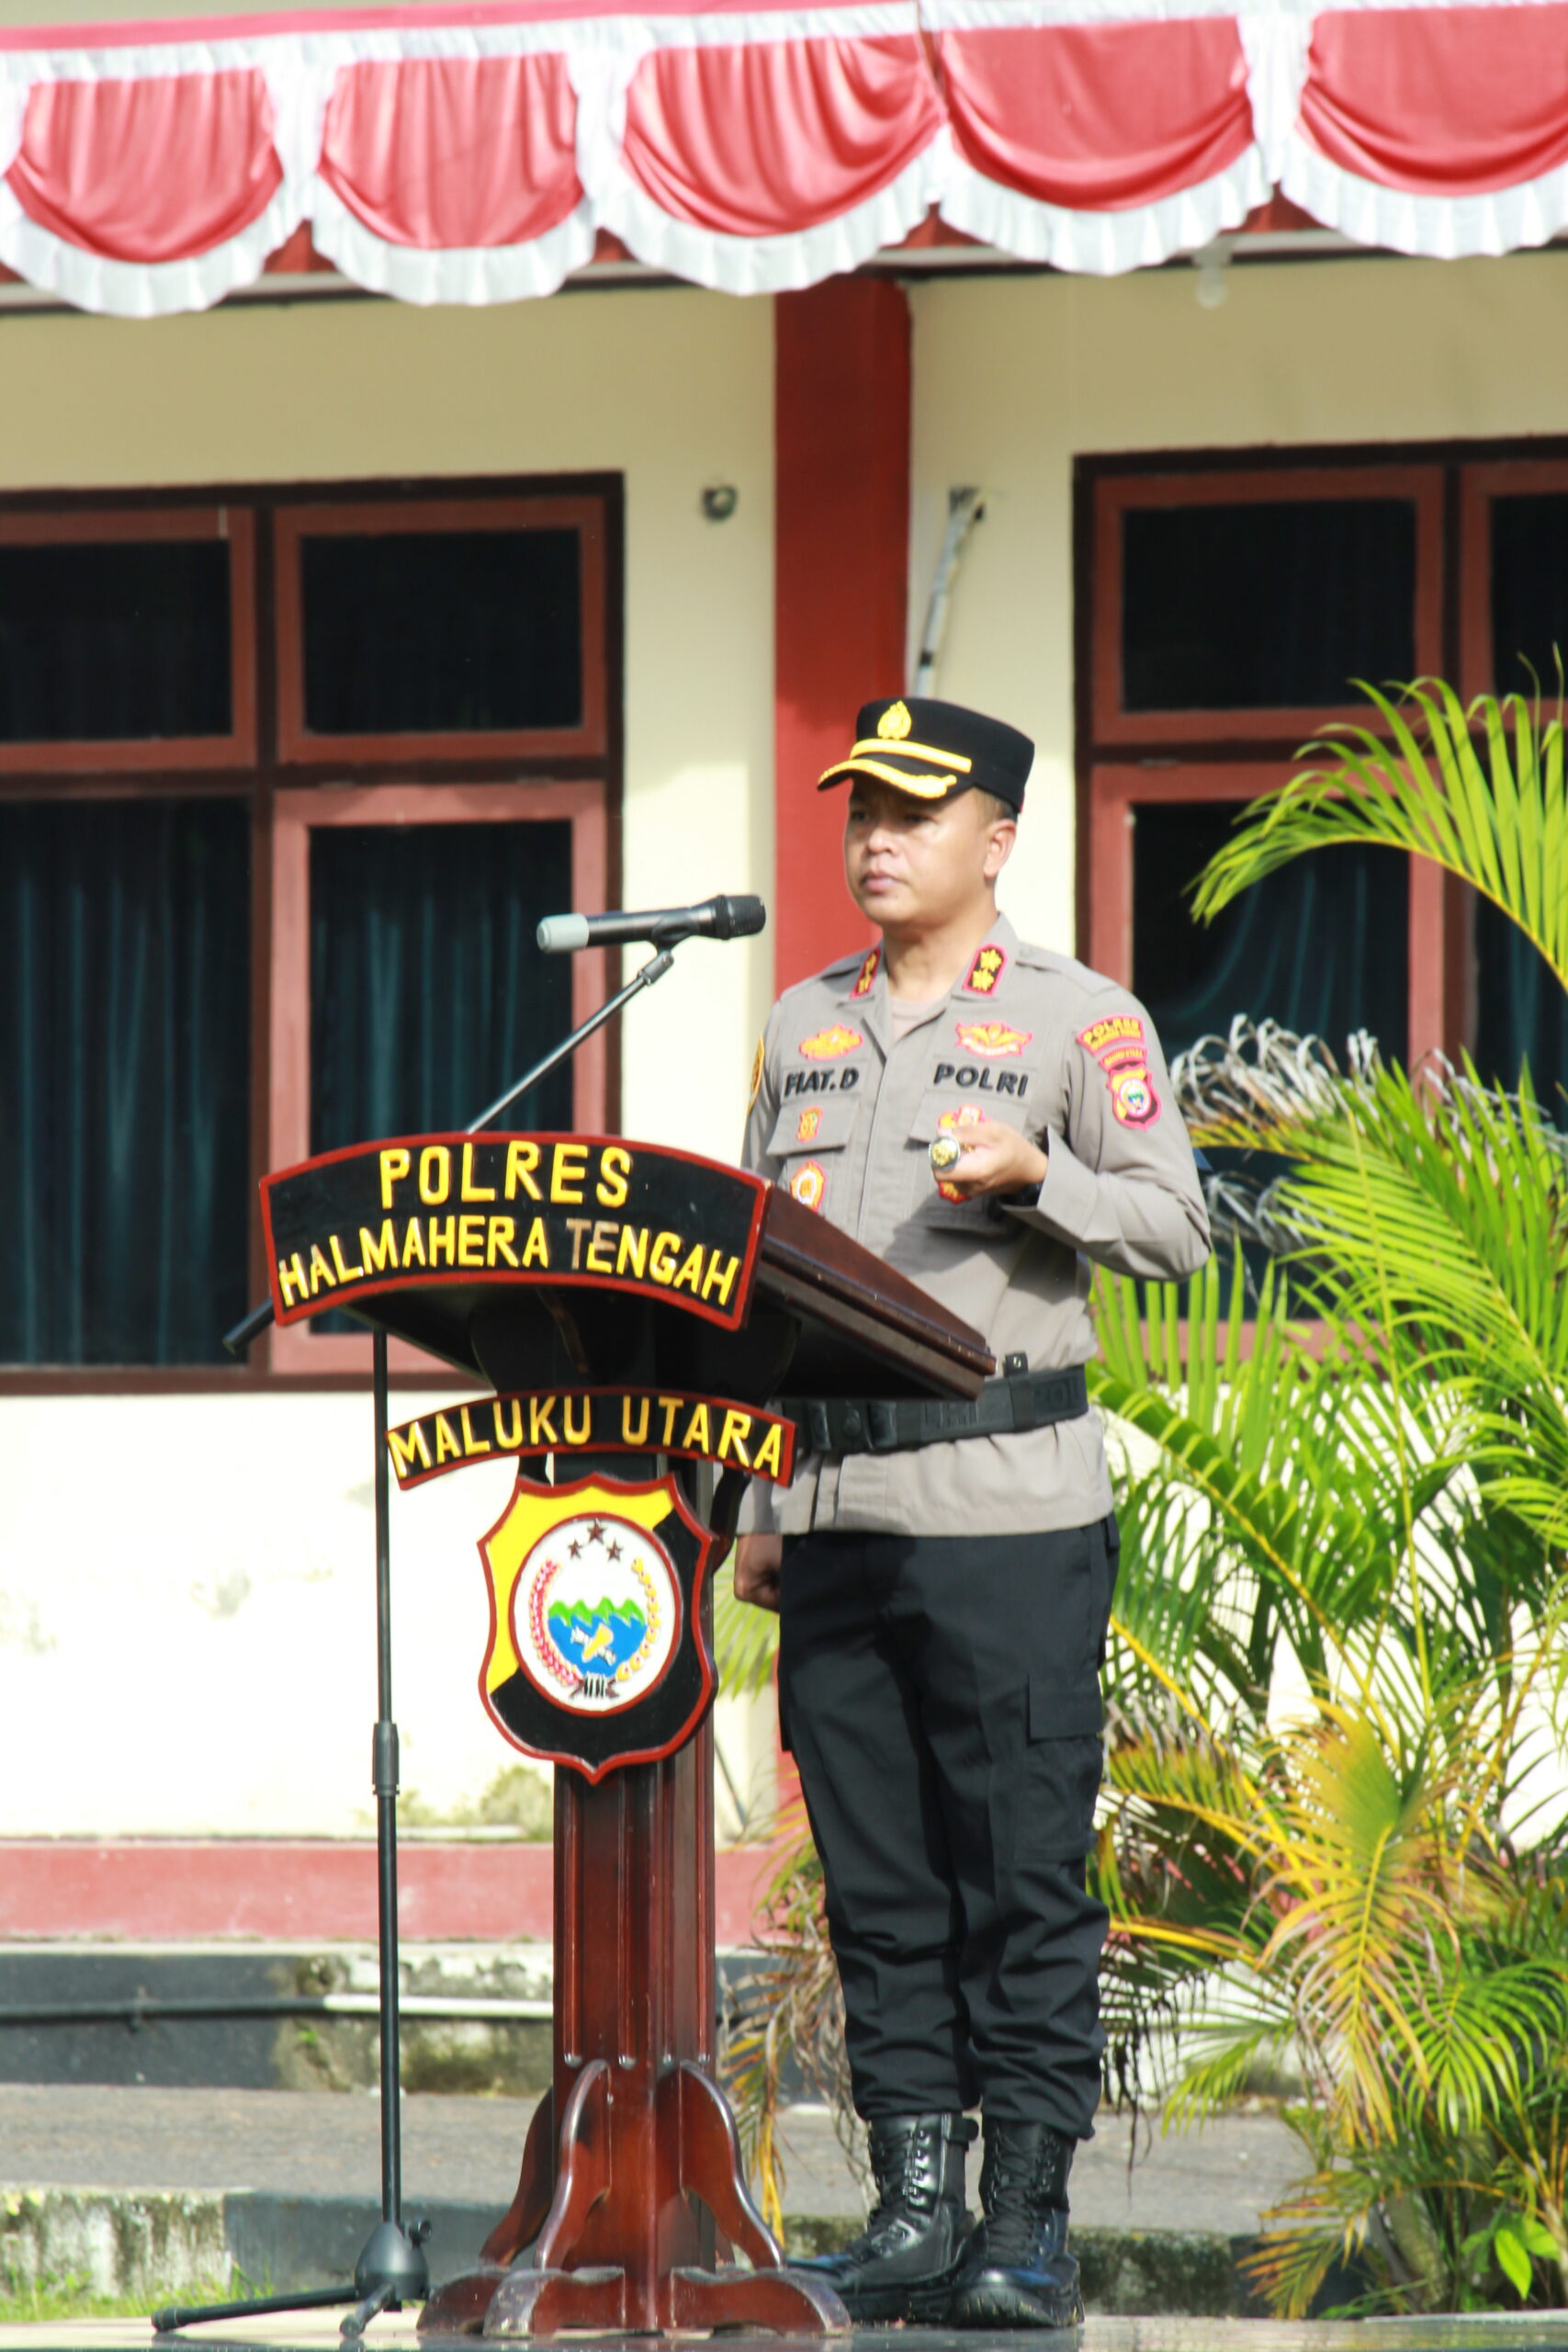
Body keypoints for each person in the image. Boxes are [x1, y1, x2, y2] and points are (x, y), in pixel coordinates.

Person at [734, 695, 1211, 2329]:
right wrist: (757, 1497)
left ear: (996, 841)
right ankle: (914, 2213)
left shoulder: (1081, 1021)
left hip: (1007, 1512)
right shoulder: (802, 1023)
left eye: (912, 814)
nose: (875, 838)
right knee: (878, 1887)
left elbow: (1178, 1228)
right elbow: (761, 1275)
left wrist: (1036, 1177)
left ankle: (1024, 2223)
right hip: (835, 1507)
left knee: (1019, 1878)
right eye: (860, 809)